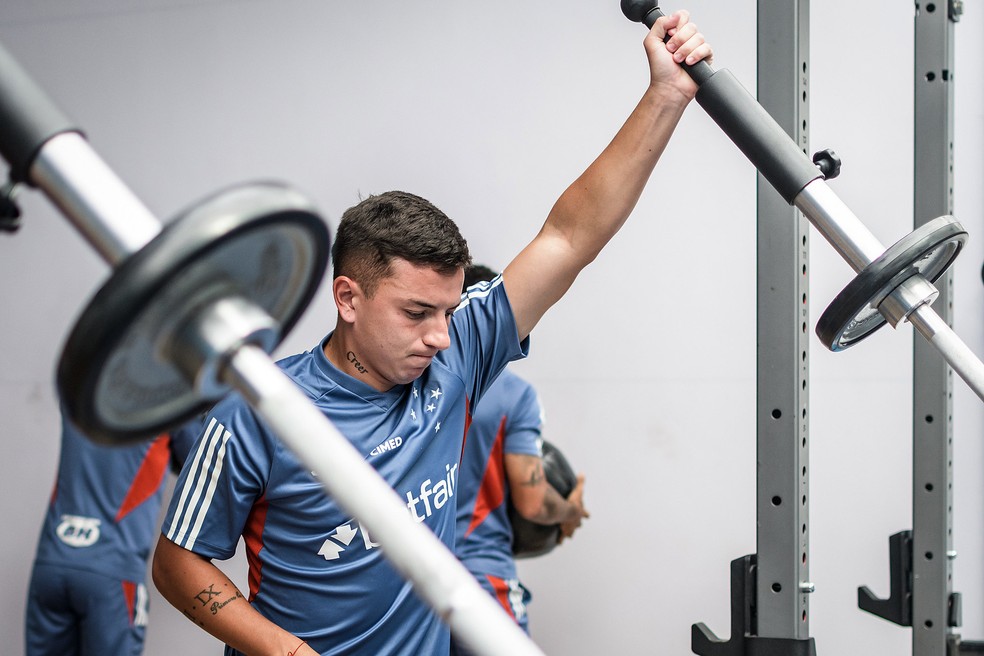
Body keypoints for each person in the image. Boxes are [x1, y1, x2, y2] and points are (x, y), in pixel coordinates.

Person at [152, 11, 712, 656]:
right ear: (348, 298)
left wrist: (665, 96)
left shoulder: (457, 357)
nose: (440, 337)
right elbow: (178, 562)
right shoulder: (260, 410)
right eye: (416, 313)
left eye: (447, 312)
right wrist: (285, 651)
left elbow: (569, 237)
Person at [452, 264, 588, 650]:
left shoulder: (406, 388)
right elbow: (531, 503)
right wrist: (568, 511)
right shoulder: (514, 395)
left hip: (404, 584)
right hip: (479, 580)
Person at [25, 411, 199, 656]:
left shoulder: (79, 382)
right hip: (112, 573)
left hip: (51, 562)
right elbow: (201, 460)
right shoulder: (169, 400)